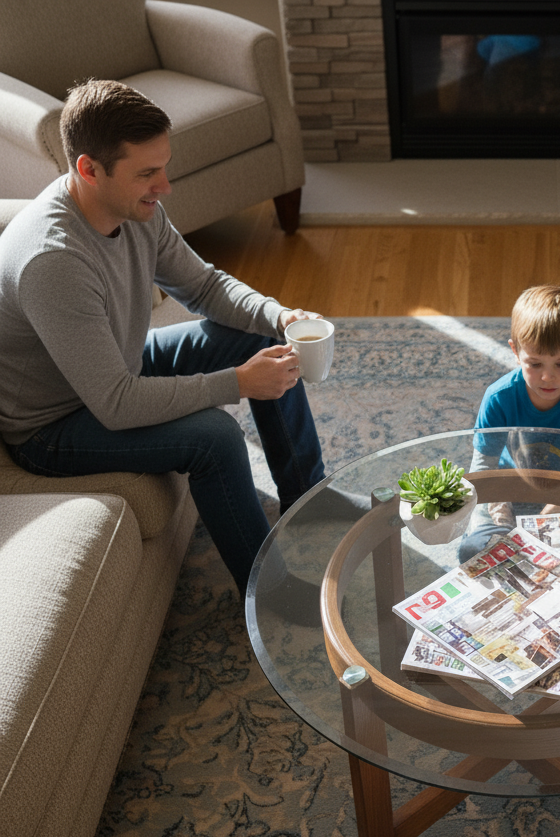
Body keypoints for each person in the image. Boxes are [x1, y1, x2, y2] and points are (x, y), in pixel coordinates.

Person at [0, 79, 355, 602]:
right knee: (215, 438)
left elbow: (204, 286)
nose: (164, 186)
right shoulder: (53, 261)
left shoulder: (133, 208)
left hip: (114, 367)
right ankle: (269, 594)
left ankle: (307, 496)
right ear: (89, 170)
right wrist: (239, 383)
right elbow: (116, 404)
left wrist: (279, 316)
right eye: (147, 173)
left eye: (163, 167)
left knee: (256, 332)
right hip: (55, 424)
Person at [459, 284, 560, 561]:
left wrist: (552, 515)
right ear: (515, 351)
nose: (547, 377)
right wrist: (502, 518)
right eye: (534, 364)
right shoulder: (499, 397)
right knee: (475, 552)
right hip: (507, 493)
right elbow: (482, 471)